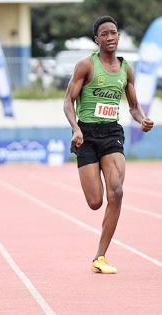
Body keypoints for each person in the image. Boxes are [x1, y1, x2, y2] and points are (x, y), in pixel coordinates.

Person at [63, 16, 154, 274]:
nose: (110, 37)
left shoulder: (127, 70)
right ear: (97, 40)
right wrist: (76, 128)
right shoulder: (86, 66)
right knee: (95, 201)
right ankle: (99, 251)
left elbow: (134, 107)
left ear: (118, 37)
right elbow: (68, 101)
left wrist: (142, 119)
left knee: (117, 192)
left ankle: (100, 256)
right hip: (87, 135)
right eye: (104, 34)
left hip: (112, 132)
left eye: (114, 33)